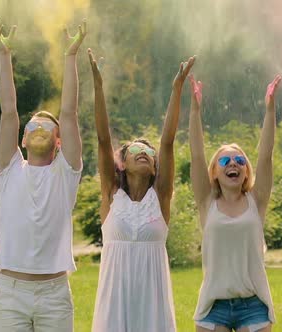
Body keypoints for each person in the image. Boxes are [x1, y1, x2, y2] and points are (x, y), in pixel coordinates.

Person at [88, 48, 196, 332]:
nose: (145, 152)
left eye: (149, 151)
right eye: (136, 149)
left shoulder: (159, 198)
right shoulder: (111, 194)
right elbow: (102, 139)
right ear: (121, 163)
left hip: (152, 304)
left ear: (155, 166)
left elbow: (169, 141)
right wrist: (98, 87)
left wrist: (177, 88)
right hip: (115, 301)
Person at [0, 18, 86, 331]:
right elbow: (8, 111)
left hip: (54, 295)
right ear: (23, 138)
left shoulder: (65, 173)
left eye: (48, 125)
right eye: (33, 125)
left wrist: (70, 57)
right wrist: (5, 58)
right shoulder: (9, 168)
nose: (39, 127)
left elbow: (70, 114)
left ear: (59, 142)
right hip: (10, 293)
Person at [189, 73, 281, 332]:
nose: (233, 164)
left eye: (239, 161)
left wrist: (270, 109)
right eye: (225, 161)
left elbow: (265, 156)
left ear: (246, 172)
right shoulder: (207, 202)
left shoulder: (256, 201)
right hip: (214, 305)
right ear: (215, 173)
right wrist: (195, 110)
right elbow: (196, 155)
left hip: (253, 305)